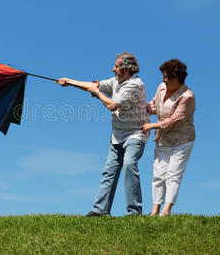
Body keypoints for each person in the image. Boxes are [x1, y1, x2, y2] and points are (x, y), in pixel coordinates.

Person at [57, 52, 150, 216]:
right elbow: (92, 86)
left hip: (135, 133)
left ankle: (134, 212)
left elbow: (113, 105)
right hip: (117, 134)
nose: (113, 68)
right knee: (110, 171)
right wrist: (69, 81)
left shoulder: (135, 85)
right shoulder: (116, 81)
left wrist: (98, 93)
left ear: (126, 68)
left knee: (129, 165)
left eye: (116, 66)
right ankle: (100, 211)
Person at [142, 59, 195, 216]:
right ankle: (154, 211)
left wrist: (151, 126)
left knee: (173, 175)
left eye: (168, 77)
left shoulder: (187, 96)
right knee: (158, 175)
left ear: (178, 78)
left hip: (182, 140)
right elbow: (154, 104)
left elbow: (174, 121)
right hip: (163, 140)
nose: (164, 80)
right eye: (163, 76)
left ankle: (166, 211)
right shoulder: (162, 88)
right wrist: (144, 107)